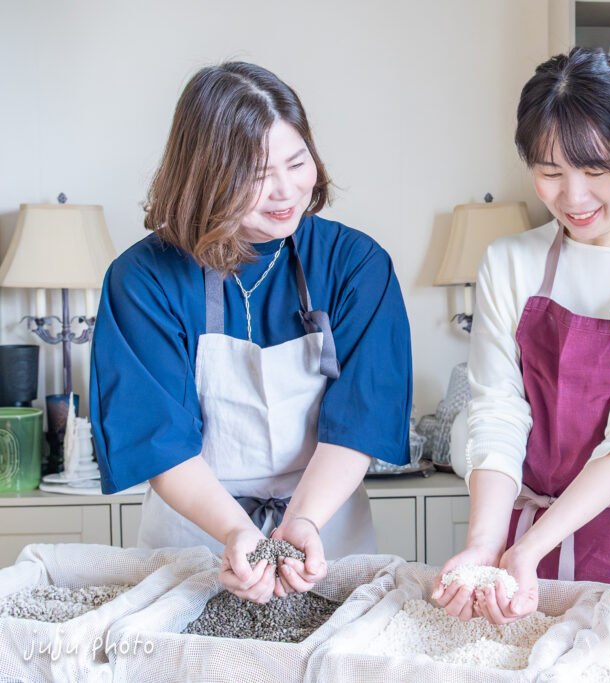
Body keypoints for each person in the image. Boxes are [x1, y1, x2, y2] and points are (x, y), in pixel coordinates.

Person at [90, 62, 413, 603]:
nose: (286, 191)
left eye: (297, 160)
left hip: (324, 530)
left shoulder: (355, 264)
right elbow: (158, 436)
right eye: (257, 174)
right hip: (194, 536)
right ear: (204, 175)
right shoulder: (142, 280)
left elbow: (362, 419)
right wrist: (237, 533)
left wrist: (303, 523)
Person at [432, 47, 610, 624]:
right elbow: (497, 409)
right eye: (550, 172)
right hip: (517, 530)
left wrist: (529, 550)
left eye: (595, 170)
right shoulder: (510, 259)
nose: (574, 197)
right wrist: (490, 543)